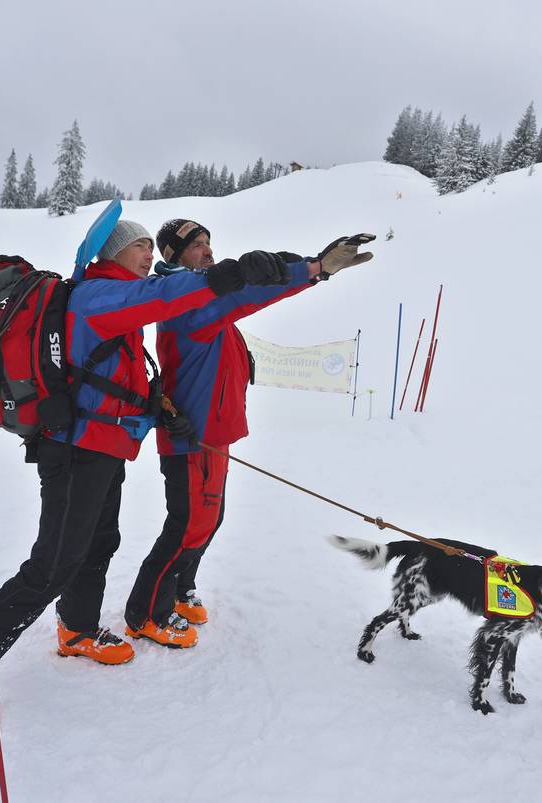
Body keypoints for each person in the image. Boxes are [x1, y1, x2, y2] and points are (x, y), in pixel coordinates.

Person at [0, 220, 296, 741]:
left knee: (99, 541)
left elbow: (113, 369)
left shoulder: (112, 296)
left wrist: (157, 404)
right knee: (51, 565)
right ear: (117, 252)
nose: (148, 254)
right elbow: (167, 293)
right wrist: (230, 275)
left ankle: (75, 628)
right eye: (141, 245)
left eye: (147, 246)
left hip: (103, 448)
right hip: (75, 450)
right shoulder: (98, 294)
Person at [123, 220, 374, 648]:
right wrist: (313, 269)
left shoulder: (201, 296)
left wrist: (314, 270)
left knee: (208, 520)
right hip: (192, 436)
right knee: (187, 526)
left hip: (213, 433)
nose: (207, 251)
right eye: (195, 245)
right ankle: (146, 612)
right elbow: (247, 293)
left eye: (208, 243)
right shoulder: (187, 301)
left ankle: (181, 590)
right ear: (172, 254)